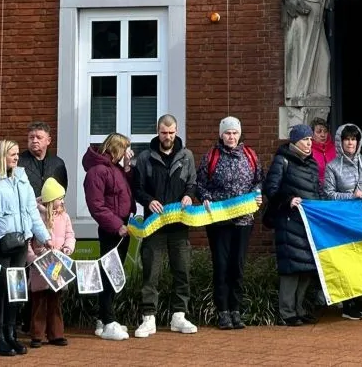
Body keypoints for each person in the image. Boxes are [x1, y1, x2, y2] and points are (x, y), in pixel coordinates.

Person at [0, 140, 52, 357]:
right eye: (12, 154)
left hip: (20, 243)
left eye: (17, 154)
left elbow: (32, 213)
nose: (16, 158)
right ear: (1, 156)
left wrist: (44, 237)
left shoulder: (22, 180)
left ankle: (11, 334)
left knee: (16, 291)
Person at [133, 115, 199, 338]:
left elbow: (193, 183)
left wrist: (190, 196)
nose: (168, 136)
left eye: (171, 132)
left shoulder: (187, 155)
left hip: (180, 225)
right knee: (151, 273)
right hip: (154, 226)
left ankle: (178, 316)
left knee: (182, 271)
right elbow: (137, 188)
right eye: (164, 132)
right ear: (157, 131)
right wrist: (148, 200)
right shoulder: (145, 158)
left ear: (176, 131)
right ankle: (148, 317)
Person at [196, 116, 264, 330]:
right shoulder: (211, 156)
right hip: (218, 220)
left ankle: (236, 310)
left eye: (235, 133)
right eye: (227, 133)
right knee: (222, 266)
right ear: (221, 134)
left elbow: (259, 180)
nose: (231, 136)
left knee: (238, 266)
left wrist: (258, 194)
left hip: (244, 220)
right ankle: (223, 312)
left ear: (239, 134)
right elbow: (199, 184)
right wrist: (205, 197)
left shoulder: (250, 156)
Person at [264, 124, 323, 326]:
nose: (308, 143)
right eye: (305, 140)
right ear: (294, 142)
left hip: (308, 222)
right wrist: (288, 199)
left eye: (309, 140)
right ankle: (287, 312)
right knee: (291, 269)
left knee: (306, 267)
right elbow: (270, 188)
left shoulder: (312, 164)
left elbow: (317, 191)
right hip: (289, 221)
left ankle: (299, 308)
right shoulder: (282, 161)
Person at [323, 123, 362, 320]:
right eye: (347, 139)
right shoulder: (332, 166)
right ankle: (347, 304)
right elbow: (328, 194)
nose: (350, 142)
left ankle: (359, 299)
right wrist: (351, 197)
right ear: (340, 142)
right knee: (348, 261)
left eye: (354, 139)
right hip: (345, 221)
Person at [82, 132, 135, 341]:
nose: (126, 153)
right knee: (108, 273)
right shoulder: (97, 171)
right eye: (124, 149)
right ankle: (108, 319)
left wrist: (128, 167)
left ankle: (104, 319)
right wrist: (116, 225)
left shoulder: (116, 168)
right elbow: (96, 206)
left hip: (123, 226)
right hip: (111, 230)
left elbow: (126, 190)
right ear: (115, 149)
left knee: (115, 273)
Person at [17, 121, 68, 332]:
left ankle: (51, 325)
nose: (34, 141)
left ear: (48, 140)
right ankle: (26, 321)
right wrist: (34, 205)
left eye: (38, 137)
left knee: (51, 274)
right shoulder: (20, 162)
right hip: (26, 222)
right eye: (30, 137)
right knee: (29, 272)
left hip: (51, 223)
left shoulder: (57, 163)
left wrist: (55, 208)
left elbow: (62, 190)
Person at [27, 177, 75, 346]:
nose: (62, 201)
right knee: (39, 301)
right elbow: (28, 241)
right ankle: (37, 335)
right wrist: (33, 259)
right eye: (59, 198)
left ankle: (56, 334)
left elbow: (70, 235)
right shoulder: (36, 217)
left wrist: (68, 248)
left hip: (58, 263)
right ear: (49, 200)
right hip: (40, 264)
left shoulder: (65, 217)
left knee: (55, 301)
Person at [310, 117, 336, 186]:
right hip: (316, 189)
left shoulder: (336, 149)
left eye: (325, 131)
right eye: (319, 132)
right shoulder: (308, 150)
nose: (323, 135)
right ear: (312, 133)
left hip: (335, 189)